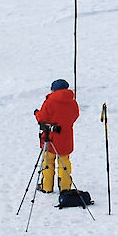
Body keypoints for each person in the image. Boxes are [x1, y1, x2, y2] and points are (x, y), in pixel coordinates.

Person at [34, 79, 84, 209]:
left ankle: (47, 186)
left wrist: (36, 113)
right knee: (64, 162)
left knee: (48, 161)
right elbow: (75, 115)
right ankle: (65, 188)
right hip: (66, 137)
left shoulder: (49, 102)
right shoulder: (73, 102)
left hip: (51, 137)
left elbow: (42, 118)